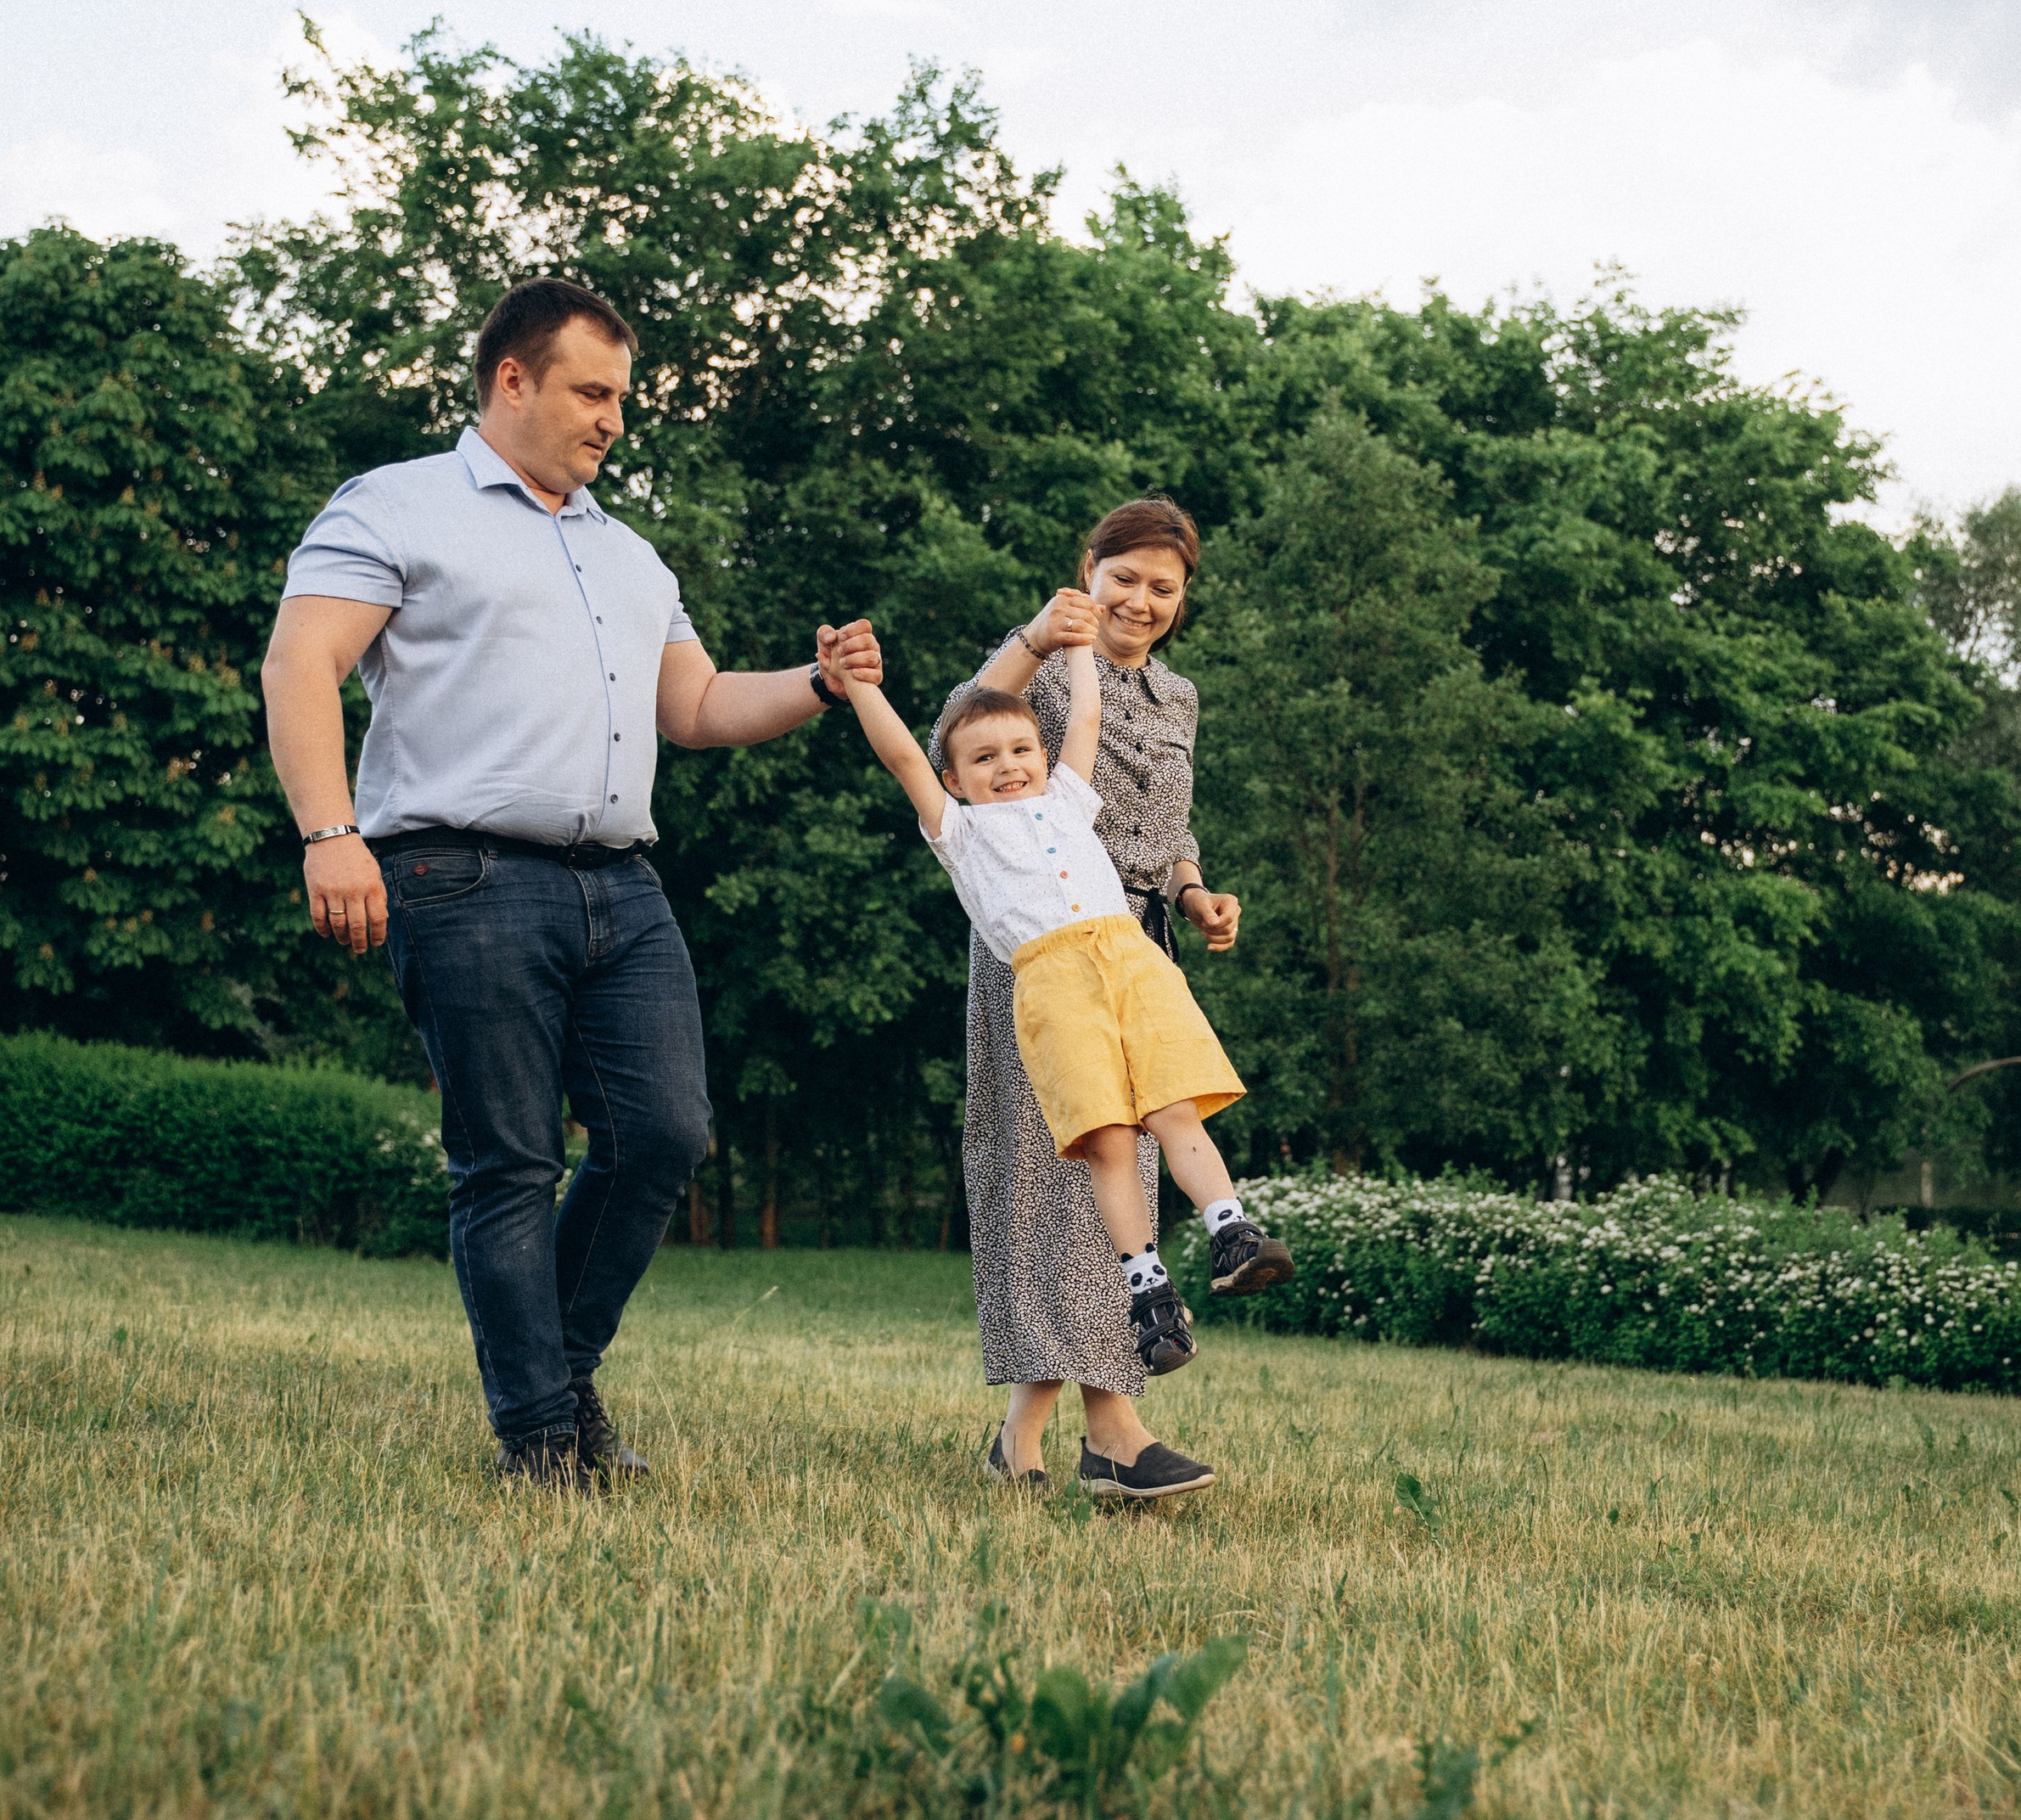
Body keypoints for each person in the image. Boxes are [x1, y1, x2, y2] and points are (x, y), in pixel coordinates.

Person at [259, 276, 878, 1491]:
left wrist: (819, 683)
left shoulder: (625, 552)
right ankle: (540, 1439)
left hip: (621, 885)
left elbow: (696, 705)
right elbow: (300, 663)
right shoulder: (396, 504)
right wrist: (330, 832)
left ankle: (556, 1372)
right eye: (593, 393)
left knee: (663, 1133)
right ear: (512, 379)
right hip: (458, 872)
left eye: (621, 398)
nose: (613, 420)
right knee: (508, 1163)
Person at [841, 640, 1294, 1415]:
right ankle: (1149, 1293)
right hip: (1054, 984)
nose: (1008, 765)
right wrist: (857, 685)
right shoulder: (959, 833)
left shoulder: (1066, 800)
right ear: (954, 779)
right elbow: (902, 757)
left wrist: (1082, 643)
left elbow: (1085, 715)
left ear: (1043, 756)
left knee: (1173, 1111)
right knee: (1109, 1141)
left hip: (1133, 960)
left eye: (1021, 748)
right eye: (984, 757)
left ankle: (1233, 1234)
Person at [938, 496, 1254, 1504]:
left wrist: (1194, 892)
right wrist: (1037, 636)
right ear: (1090, 571)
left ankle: (1028, 1432)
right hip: (1039, 951)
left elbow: (1169, 829)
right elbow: (952, 734)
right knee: (1058, 1180)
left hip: (1134, 949)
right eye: (1125, 578)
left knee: (1120, 1182)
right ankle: (1113, 1432)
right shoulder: (1037, 670)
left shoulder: (1178, 697)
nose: (1142, 601)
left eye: (1165, 587)